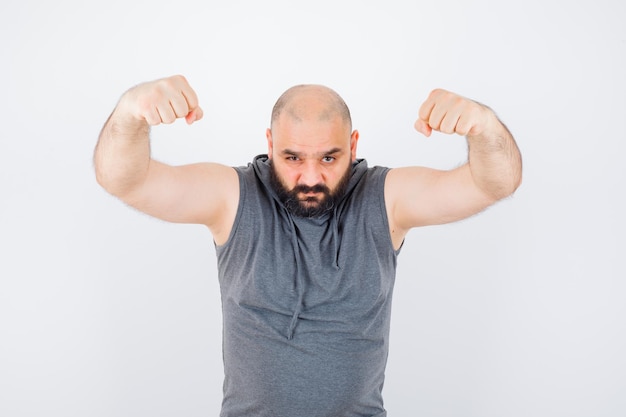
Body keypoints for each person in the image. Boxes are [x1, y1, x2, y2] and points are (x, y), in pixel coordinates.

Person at [94, 74, 522, 417]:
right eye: (293, 158)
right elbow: (123, 179)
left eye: (330, 158)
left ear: (353, 147)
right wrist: (129, 114)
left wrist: (484, 128)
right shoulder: (233, 196)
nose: (311, 178)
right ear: (270, 145)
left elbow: (495, 182)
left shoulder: (384, 198)